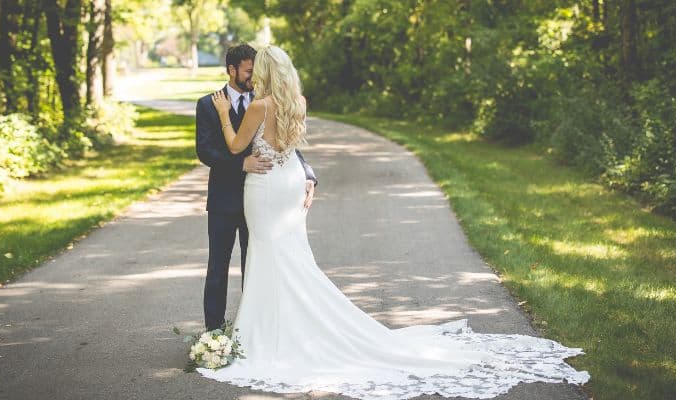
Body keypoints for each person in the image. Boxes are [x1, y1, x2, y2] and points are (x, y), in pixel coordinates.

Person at [201, 44, 590, 399]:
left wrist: (223, 115)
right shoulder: (297, 102)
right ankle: (271, 329)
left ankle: (266, 334)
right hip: (286, 184)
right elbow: (287, 149)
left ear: (265, 71)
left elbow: (237, 146)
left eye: (258, 70)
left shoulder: (258, 106)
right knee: (287, 256)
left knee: (272, 255)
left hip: (267, 187)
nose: (252, 76)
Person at [195, 44, 318, 332]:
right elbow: (206, 152)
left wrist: (308, 174)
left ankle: (254, 328)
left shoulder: (265, 101)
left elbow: (288, 146)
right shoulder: (207, 104)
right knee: (218, 267)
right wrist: (240, 165)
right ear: (231, 70)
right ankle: (214, 333)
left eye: (256, 71)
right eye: (249, 72)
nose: (253, 77)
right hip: (225, 198)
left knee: (258, 263)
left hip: (263, 199)